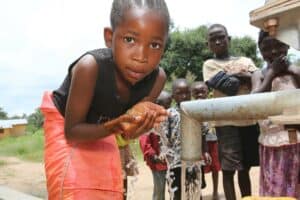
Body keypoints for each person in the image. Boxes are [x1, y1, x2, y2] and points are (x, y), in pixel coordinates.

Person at [39, 0, 170, 199]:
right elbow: (72, 132)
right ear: (109, 38)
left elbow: (127, 130)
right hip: (67, 123)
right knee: (73, 190)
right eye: (129, 40)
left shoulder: (157, 79)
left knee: (106, 190)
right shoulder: (90, 67)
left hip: (105, 126)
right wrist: (118, 126)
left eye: (154, 45)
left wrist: (136, 127)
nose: (141, 56)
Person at [202, 24, 260, 200]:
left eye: (221, 37)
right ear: (208, 44)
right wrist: (246, 77)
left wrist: (242, 77)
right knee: (228, 170)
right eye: (213, 39)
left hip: (249, 121)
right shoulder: (209, 65)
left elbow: (260, 80)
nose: (218, 41)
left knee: (245, 169)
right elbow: (229, 87)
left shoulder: (246, 60)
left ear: (229, 39)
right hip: (226, 123)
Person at [251, 30, 300, 198]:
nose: (273, 52)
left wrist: (293, 70)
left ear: (287, 45)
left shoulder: (295, 72)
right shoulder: (260, 74)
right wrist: (271, 74)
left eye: (279, 46)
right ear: (260, 49)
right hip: (271, 144)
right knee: (276, 192)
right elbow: (253, 102)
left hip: (297, 141)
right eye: (267, 48)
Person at [159, 78, 191, 200]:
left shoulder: (197, 111)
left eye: (187, 92)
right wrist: (164, 151)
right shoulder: (169, 114)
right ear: (173, 96)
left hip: (194, 160)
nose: (184, 96)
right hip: (175, 161)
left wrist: (205, 150)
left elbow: (203, 133)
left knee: (194, 189)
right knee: (176, 191)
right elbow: (164, 136)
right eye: (180, 93)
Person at [139, 90, 172, 200]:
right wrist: (154, 156)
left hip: (171, 161)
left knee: (174, 188)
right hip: (157, 162)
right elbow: (144, 141)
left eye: (169, 105)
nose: (167, 110)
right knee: (159, 189)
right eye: (165, 106)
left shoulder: (171, 118)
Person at [191, 81, 221, 200]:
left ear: (207, 92)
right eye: (196, 92)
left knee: (215, 167)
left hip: (213, 140)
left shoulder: (213, 104)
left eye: (202, 92)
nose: (199, 95)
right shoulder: (190, 107)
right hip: (198, 142)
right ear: (192, 94)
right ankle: (199, 194)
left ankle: (215, 191)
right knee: (198, 168)